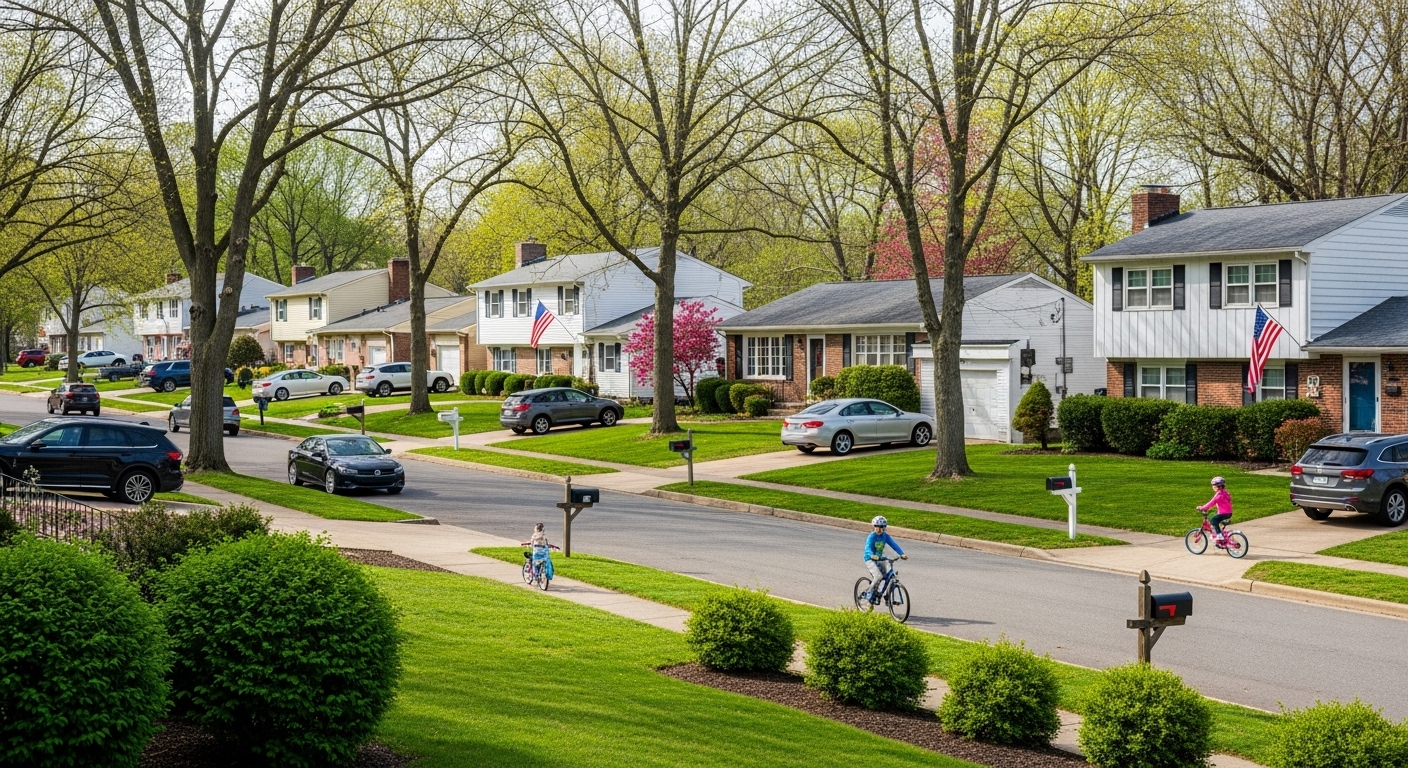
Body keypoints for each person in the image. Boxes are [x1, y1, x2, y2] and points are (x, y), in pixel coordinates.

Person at [862, 516, 907, 601]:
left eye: (881, 527)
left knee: (887, 576)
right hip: (870, 559)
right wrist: (871, 555)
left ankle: (888, 597)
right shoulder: (871, 536)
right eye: (876, 527)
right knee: (878, 576)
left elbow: (894, 545)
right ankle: (869, 593)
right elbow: (867, 548)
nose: (878, 529)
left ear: (884, 528)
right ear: (874, 527)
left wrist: (902, 554)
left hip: (880, 558)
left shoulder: (885, 536)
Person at [1198, 476, 1233, 540]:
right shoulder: (1225, 492)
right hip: (1229, 513)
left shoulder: (1218, 495)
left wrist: (1202, 508)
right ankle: (1220, 535)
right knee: (1214, 516)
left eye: (1214, 486)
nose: (1213, 488)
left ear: (1218, 487)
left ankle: (1219, 535)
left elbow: (1211, 503)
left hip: (1223, 513)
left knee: (1213, 520)